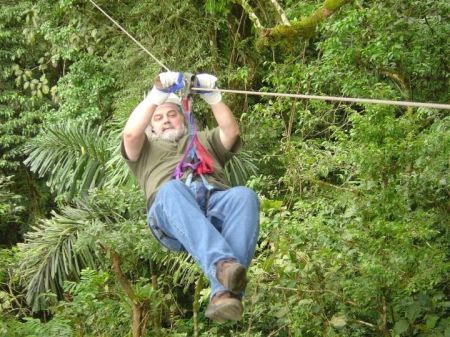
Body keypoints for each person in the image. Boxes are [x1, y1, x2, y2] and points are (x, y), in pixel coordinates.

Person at [121, 71, 259, 322]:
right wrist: (157, 94)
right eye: (158, 118)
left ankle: (225, 294)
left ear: (183, 119)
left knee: (244, 196)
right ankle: (222, 266)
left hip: (214, 200)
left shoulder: (203, 140)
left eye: (172, 114)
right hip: (170, 212)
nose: (165, 120)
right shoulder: (145, 151)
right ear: (151, 126)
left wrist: (213, 97)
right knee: (172, 189)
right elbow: (130, 134)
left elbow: (230, 132)